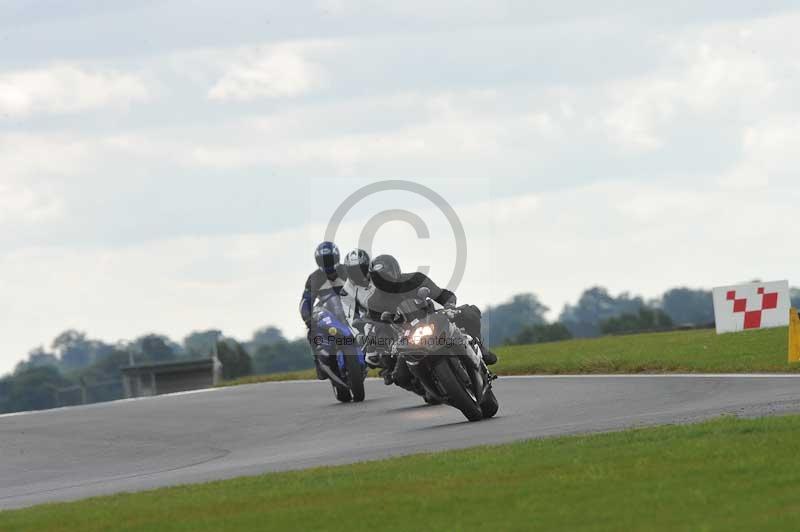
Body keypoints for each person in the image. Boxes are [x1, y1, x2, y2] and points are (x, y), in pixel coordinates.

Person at [367, 254, 497, 390]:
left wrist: (449, 306)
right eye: (379, 278)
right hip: (407, 338)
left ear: (395, 271)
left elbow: (441, 294)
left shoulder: (415, 279)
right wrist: (388, 345)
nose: (384, 281)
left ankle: (480, 347)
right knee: (400, 377)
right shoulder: (374, 302)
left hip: (433, 320)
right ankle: (425, 389)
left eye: (386, 276)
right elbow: (380, 327)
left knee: (469, 312)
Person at [299, 241, 348, 380]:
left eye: (330, 259)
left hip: (350, 310)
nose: (328, 262)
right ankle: (319, 364)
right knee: (311, 332)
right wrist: (308, 319)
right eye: (324, 260)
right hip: (328, 314)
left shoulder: (348, 271)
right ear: (318, 260)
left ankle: (379, 356)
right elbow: (306, 301)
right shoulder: (314, 278)